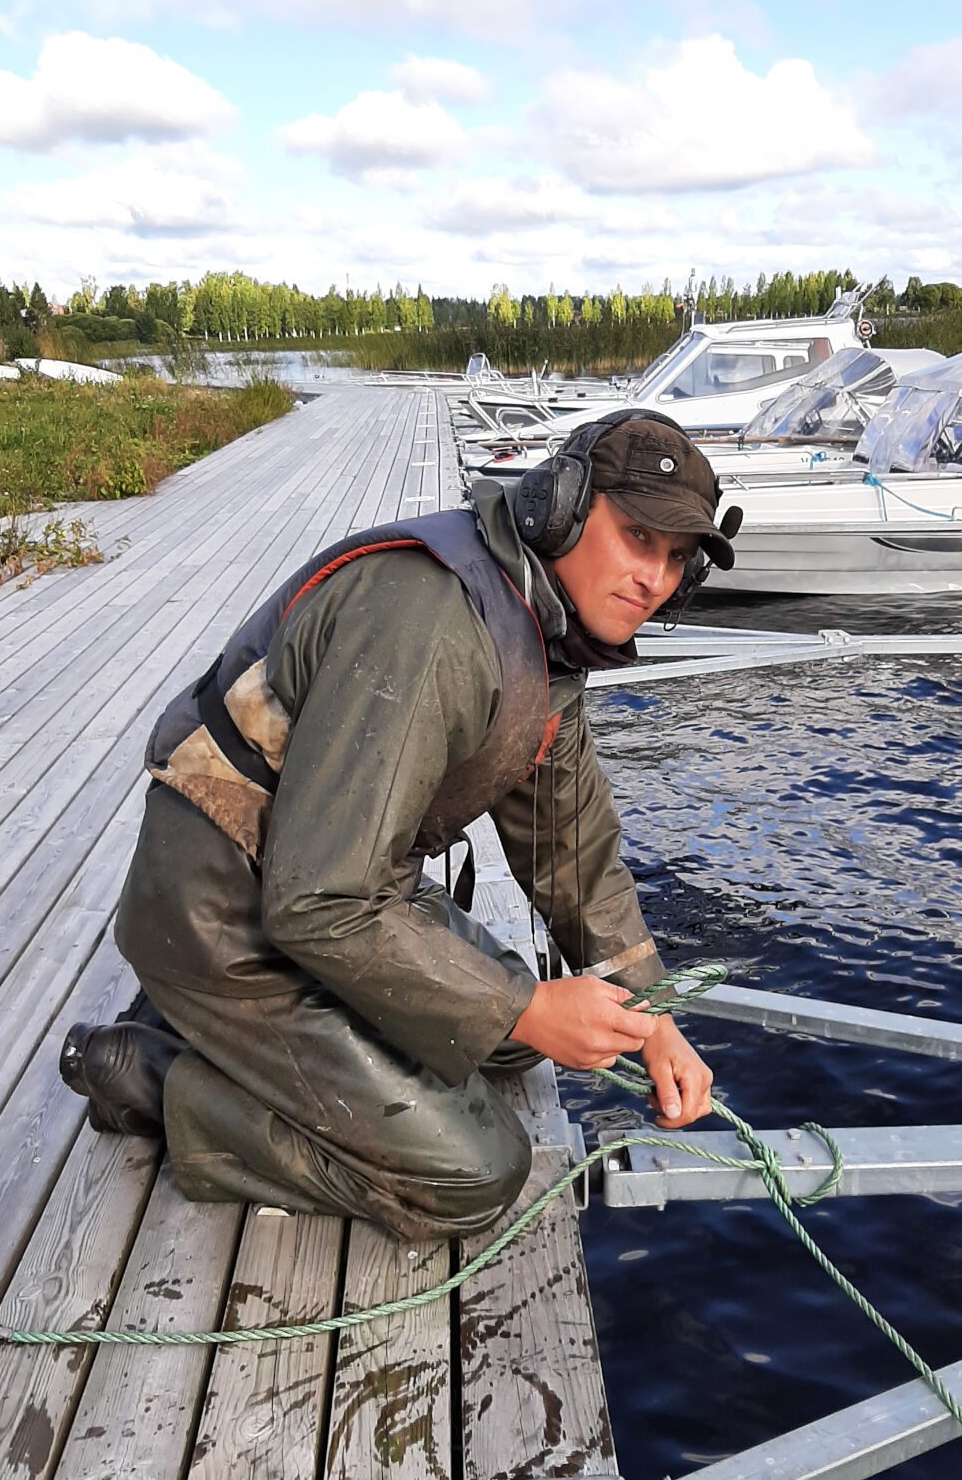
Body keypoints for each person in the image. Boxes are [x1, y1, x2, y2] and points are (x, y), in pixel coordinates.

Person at [59, 408, 742, 1239]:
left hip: (318, 878)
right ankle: (161, 1076)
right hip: (222, 909)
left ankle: (225, 1034)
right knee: (475, 1175)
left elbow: (574, 856)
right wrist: (525, 1007)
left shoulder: (546, 628)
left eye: (677, 559)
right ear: (560, 506)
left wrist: (653, 1016)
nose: (656, 578)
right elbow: (318, 902)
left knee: (514, 1038)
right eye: (639, 537)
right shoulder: (431, 625)